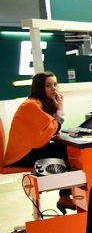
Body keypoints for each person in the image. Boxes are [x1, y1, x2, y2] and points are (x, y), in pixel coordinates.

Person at [5, 72, 75, 214]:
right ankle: (65, 196)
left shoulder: (38, 104)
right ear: (39, 88)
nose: (54, 88)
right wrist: (60, 111)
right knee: (65, 150)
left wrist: (56, 114)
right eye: (48, 85)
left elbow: (47, 130)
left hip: (29, 150)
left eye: (55, 84)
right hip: (22, 155)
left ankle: (65, 196)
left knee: (63, 148)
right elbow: (43, 136)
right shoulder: (31, 105)